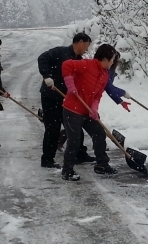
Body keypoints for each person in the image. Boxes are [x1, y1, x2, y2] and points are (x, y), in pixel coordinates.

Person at [60, 43, 118, 181]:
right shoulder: (87, 64)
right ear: (104, 58)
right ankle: (67, 170)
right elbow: (66, 65)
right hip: (72, 109)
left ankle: (102, 165)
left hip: (87, 110)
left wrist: (94, 108)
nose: (113, 62)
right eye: (112, 59)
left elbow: (98, 95)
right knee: (74, 141)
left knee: (99, 133)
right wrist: (70, 84)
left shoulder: (105, 74)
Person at [37, 32, 92, 169]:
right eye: (86, 46)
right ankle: (47, 159)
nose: (87, 49)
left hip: (68, 99)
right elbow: (42, 58)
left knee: (75, 126)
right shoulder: (59, 52)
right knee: (52, 128)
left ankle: (80, 154)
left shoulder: (79, 60)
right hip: (51, 96)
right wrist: (47, 75)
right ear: (79, 42)